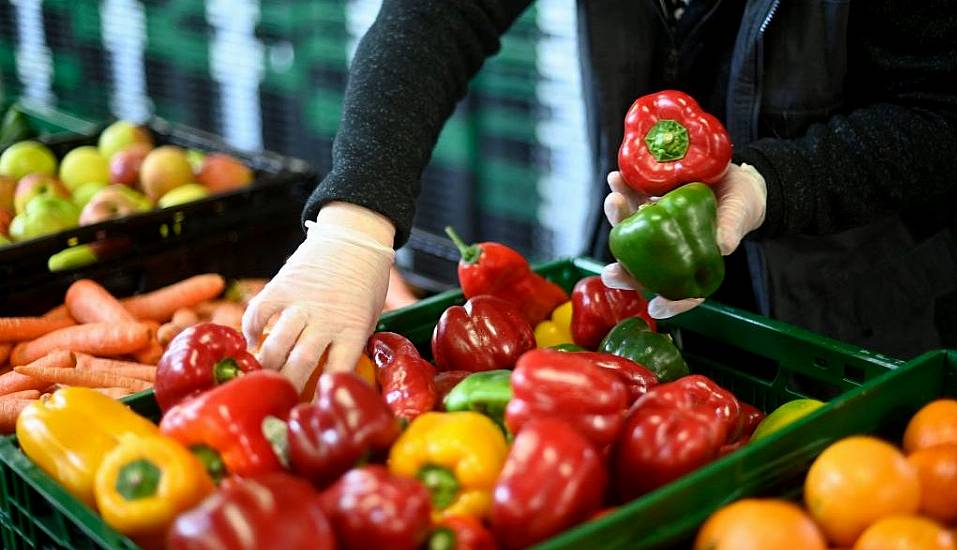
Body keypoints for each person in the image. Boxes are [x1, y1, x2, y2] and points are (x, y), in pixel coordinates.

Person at [243, 0, 957, 391]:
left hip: (860, 324)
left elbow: (940, 112)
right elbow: (439, 16)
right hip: (631, 270)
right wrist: (354, 224)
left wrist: (772, 185)